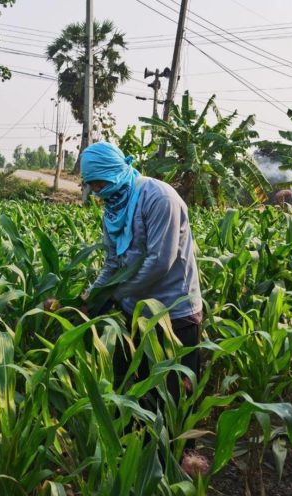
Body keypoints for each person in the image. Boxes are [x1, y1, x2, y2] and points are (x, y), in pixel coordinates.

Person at [80, 141, 203, 401]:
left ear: (115, 170)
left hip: (174, 314)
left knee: (174, 399)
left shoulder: (159, 198)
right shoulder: (113, 211)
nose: (99, 192)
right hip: (136, 314)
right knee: (141, 395)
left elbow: (160, 262)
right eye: (93, 185)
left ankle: (177, 444)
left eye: (101, 183)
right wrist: (93, 295)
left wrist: (115, 294)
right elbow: (113, 263)